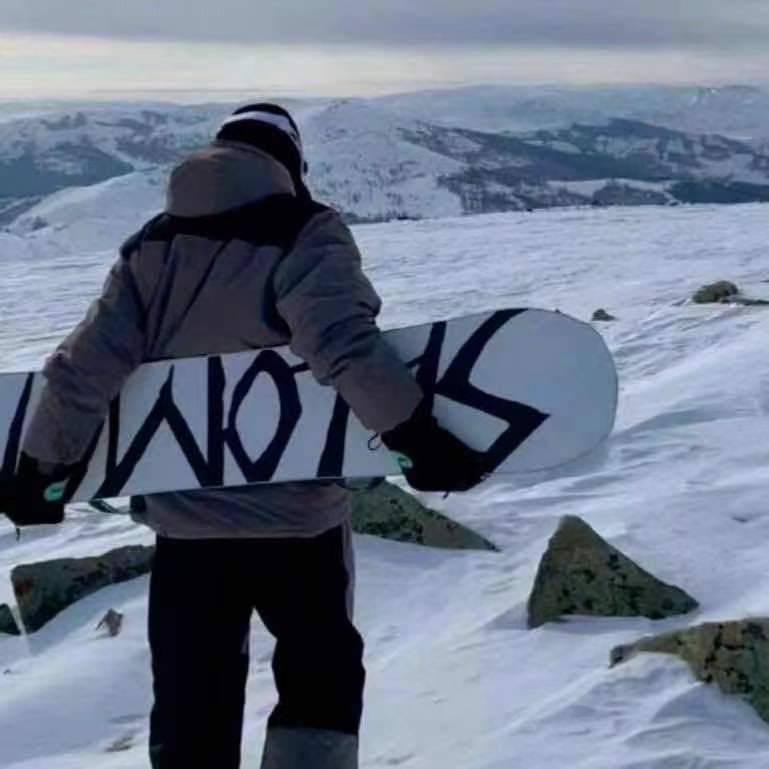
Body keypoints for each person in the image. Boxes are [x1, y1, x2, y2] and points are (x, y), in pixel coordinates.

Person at [0, 104, 485, 769]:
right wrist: (414, 434)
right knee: (322, 678)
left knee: (190, 696)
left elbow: (86, 366)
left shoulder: (153, 246)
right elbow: (341, 344)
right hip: (299, 523)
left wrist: (39, 466)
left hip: (187, 529)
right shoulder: (304, 231)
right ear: (288, 162)